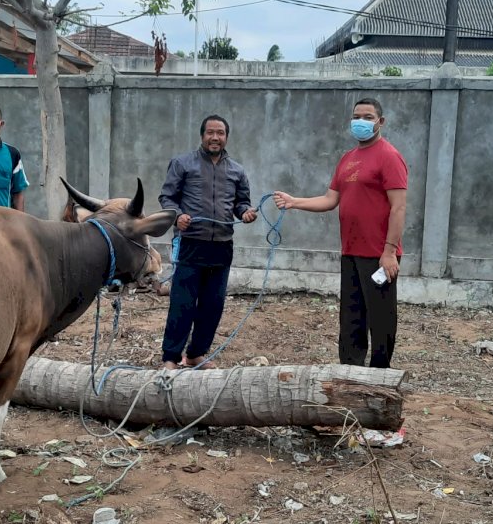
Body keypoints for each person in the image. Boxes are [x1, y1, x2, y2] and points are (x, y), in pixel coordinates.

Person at [274, 98, 408, 368]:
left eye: (368, 117)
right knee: (351, 317)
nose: (361, 121)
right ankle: (349, 371)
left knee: (380, 319)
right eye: (357, 116)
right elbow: (329, 199)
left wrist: (389, 251)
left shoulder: (389, 157)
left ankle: (380, 375)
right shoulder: (348, 159)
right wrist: (294, 201)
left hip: (378, 254)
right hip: (351, 251)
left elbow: (399, 208)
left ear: (380, 122)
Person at [159, 114, 258, 370]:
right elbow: (167, 198)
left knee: (213, 305)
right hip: (191, 243)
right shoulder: (182, 164)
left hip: (222, 246)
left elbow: (241, 203)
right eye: (210, 132)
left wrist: (245, 213)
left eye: (220, 133)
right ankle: (171, 357)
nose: (215, 137)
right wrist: (177, 216)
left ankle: (196, 354)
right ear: (202, 135)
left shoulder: (236, 170)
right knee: (183, 304)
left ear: (226, 137)